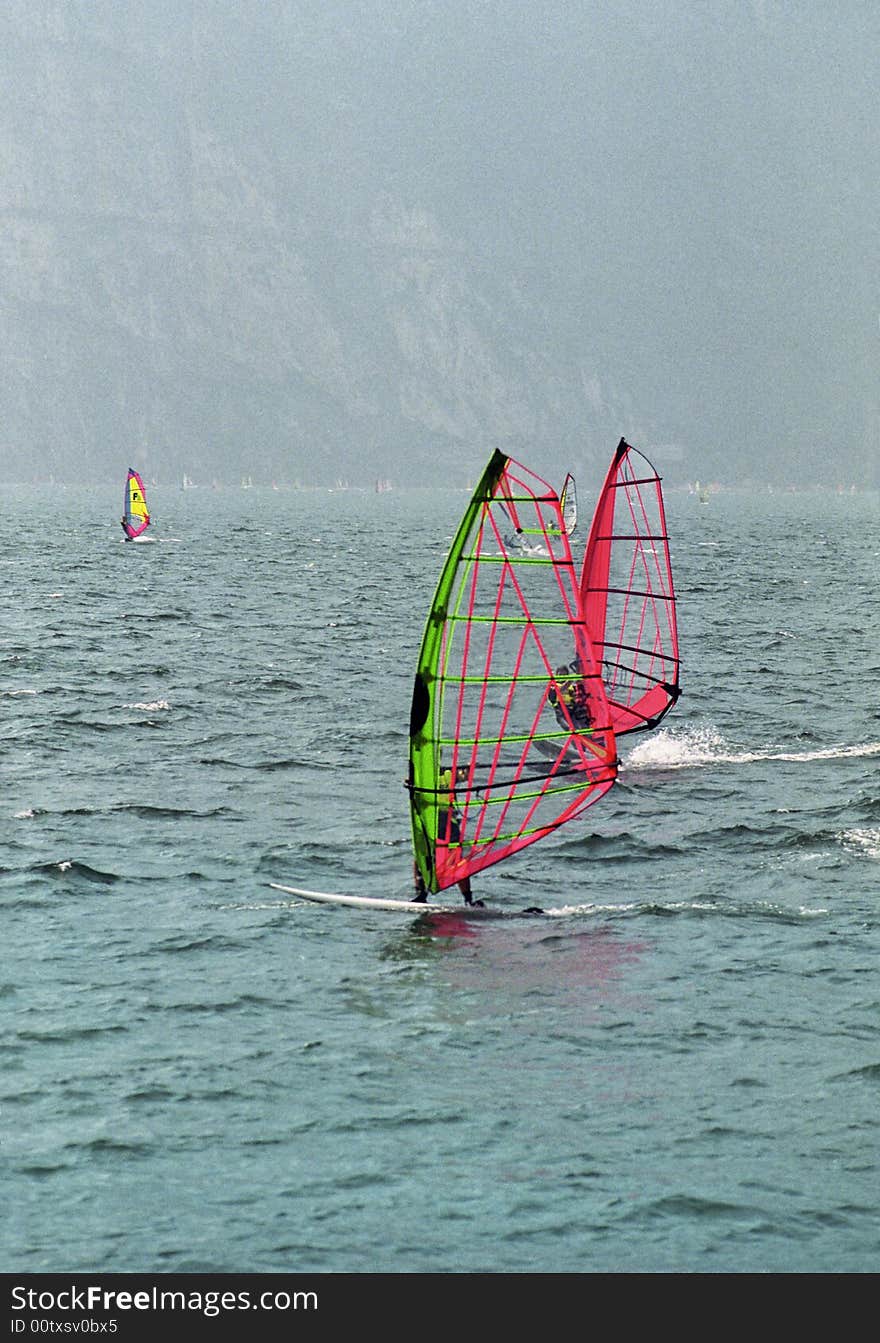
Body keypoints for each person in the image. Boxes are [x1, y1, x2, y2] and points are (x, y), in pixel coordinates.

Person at [411, 763, 481, 906]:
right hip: (428, 821)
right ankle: (421, 894)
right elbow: (409, 781)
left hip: (448, 821)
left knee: (458, 859)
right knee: (420, 856)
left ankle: (468, 899)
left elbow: (464, 776)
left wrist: (469, 767)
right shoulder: (421, 775)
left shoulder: (448, 774)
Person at [548, 662, 592, 732]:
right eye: (560, 675)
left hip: (572, 711)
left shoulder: (571, 687)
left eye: (564, 675)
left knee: (584, 722)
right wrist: (571, 680)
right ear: (556, 675)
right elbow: (561, 689)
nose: (562, 677)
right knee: (570, 728)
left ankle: (588, 736)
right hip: (561, 714)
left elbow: (578, 691)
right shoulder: (553, 686)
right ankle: (577, 737)